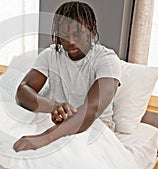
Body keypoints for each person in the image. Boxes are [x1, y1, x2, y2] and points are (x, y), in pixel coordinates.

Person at [13, 1, 121, 152]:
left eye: (77, 34)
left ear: (91, 29)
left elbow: (91, 109)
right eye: (64, 35)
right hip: (56, 124)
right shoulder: (50, 55)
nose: (70, 41)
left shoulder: (107, 60)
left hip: (95, 128)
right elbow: (22, 92)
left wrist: (44, 138)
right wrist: (53, 106)